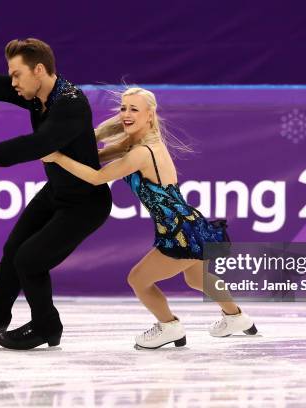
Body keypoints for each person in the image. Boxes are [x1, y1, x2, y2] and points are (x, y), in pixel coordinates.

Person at [41, 87, 257, 349]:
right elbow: (94, 157)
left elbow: (96, 177)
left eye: (134, 109)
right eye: (123, 108)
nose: (126, 114)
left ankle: (169, 326)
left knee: (138, 279)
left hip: (180, 230)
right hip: (189, 223)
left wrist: (59, 157)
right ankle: (237, 317)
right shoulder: (134, 145)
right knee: (197, 279)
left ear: (150, 115)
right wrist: (77, 141)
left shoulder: (142, 152)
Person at [0, 38, 112, 350]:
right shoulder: (40, 94)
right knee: (14, 248)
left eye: (17, 74)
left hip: (85, 203)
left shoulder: (70, 104)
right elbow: (9, 90)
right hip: (58, 191)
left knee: (30, 259)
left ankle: (47, 326)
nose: (14, 81)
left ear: (38, 70)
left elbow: (39, 143)